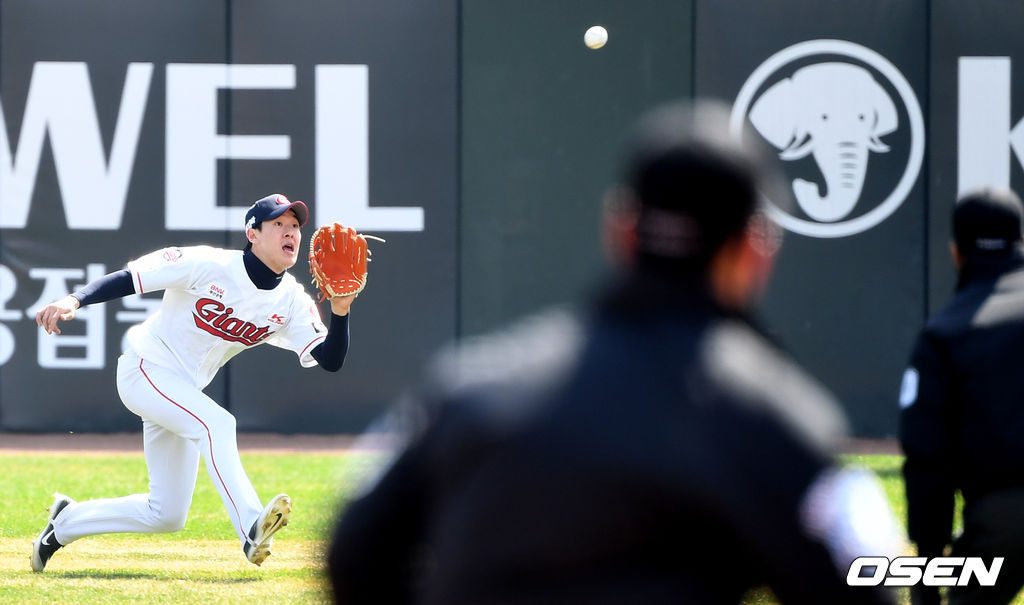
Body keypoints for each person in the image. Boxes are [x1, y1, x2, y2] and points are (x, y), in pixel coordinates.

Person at [326, 101, 901, 604]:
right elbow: (869, 586)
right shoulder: (776, 421)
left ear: (621, 232)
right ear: (754, 250)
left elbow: (352, 555)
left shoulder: (466, 388)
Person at [31, 193, 358, 572]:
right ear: (252, 232)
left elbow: (330, 360)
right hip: (145, 369)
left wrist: (341, 311)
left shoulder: (291, 301)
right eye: (279, 224)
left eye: (296, 226)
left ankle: (65, 523)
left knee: (166, 513)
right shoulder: (208, 264)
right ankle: (252, 527)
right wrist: (75, 300)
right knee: (218, 424)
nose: (291, 233)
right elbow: (132, 277)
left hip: (181, 392)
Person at [900, 187, 1024, 605]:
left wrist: (926, 574)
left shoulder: (945, 334)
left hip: (1005, 515)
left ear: (957, 254)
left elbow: (927, 462)